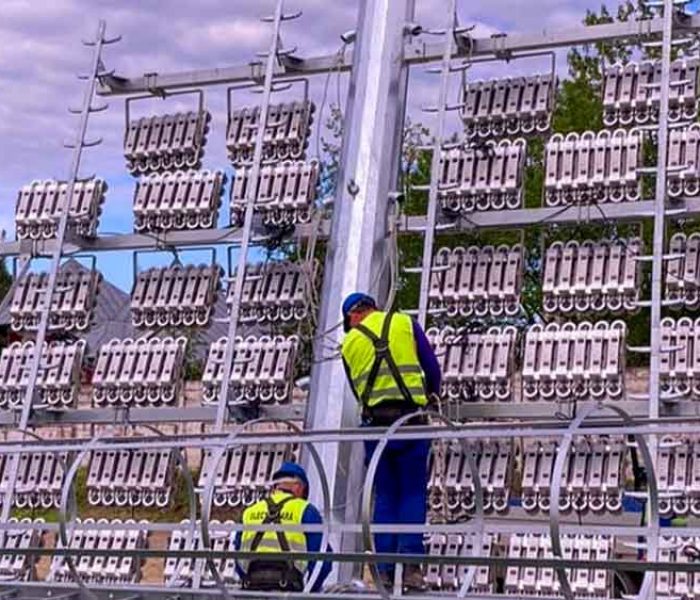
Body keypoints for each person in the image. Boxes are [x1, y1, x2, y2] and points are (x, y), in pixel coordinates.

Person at [340, 292, 442, 590]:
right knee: (412, 493)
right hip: (411, 421)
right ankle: (410, 568)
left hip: (375, 426)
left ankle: (384, 570)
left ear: (352, 317)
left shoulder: (349, 343)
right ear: (373, 308)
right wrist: (432, 397)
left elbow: (356, 390)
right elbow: (432, 368)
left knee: (385, 496)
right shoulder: (404, 324)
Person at [235, 462, 332, 592]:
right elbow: (324, 561)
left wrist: (248, 581)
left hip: (252, 587)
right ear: (298, 487)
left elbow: (237, 556)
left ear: (275, 487)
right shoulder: (305, 510)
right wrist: (311, 591)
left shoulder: (249, 512)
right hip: (287, 589)